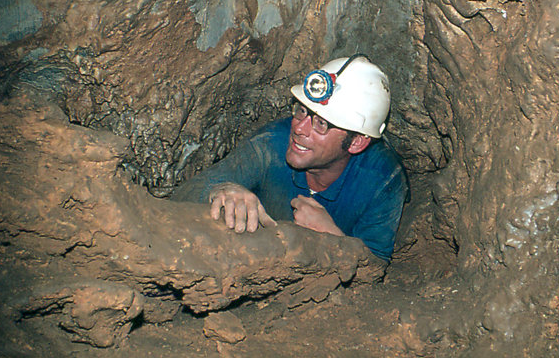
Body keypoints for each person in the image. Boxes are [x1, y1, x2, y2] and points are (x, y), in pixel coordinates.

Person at [172, 54, 408, 262]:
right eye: (302, 111)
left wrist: (332, 238)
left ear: (357, 142)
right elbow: (182, 196)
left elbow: (375, 267)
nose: (299, 128)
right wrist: (220, 190)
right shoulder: (271, 144)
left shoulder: (381, 180)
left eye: (321, 124)